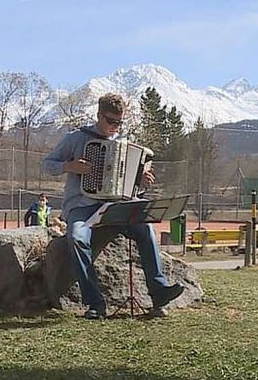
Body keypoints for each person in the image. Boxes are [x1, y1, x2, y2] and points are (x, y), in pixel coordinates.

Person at [42, 93, 184, 319]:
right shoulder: (76, 138)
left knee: (146, 228)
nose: (115, 127)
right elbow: (47, 164)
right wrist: (70, 166)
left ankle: (158, 293)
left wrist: (142, 179)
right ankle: (95, 303)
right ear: (99, 115)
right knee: (77, 238)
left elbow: (130, 182)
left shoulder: (125, 143)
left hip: (118, 206)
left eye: (120, 122)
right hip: (83, 206)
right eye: (111, 121)